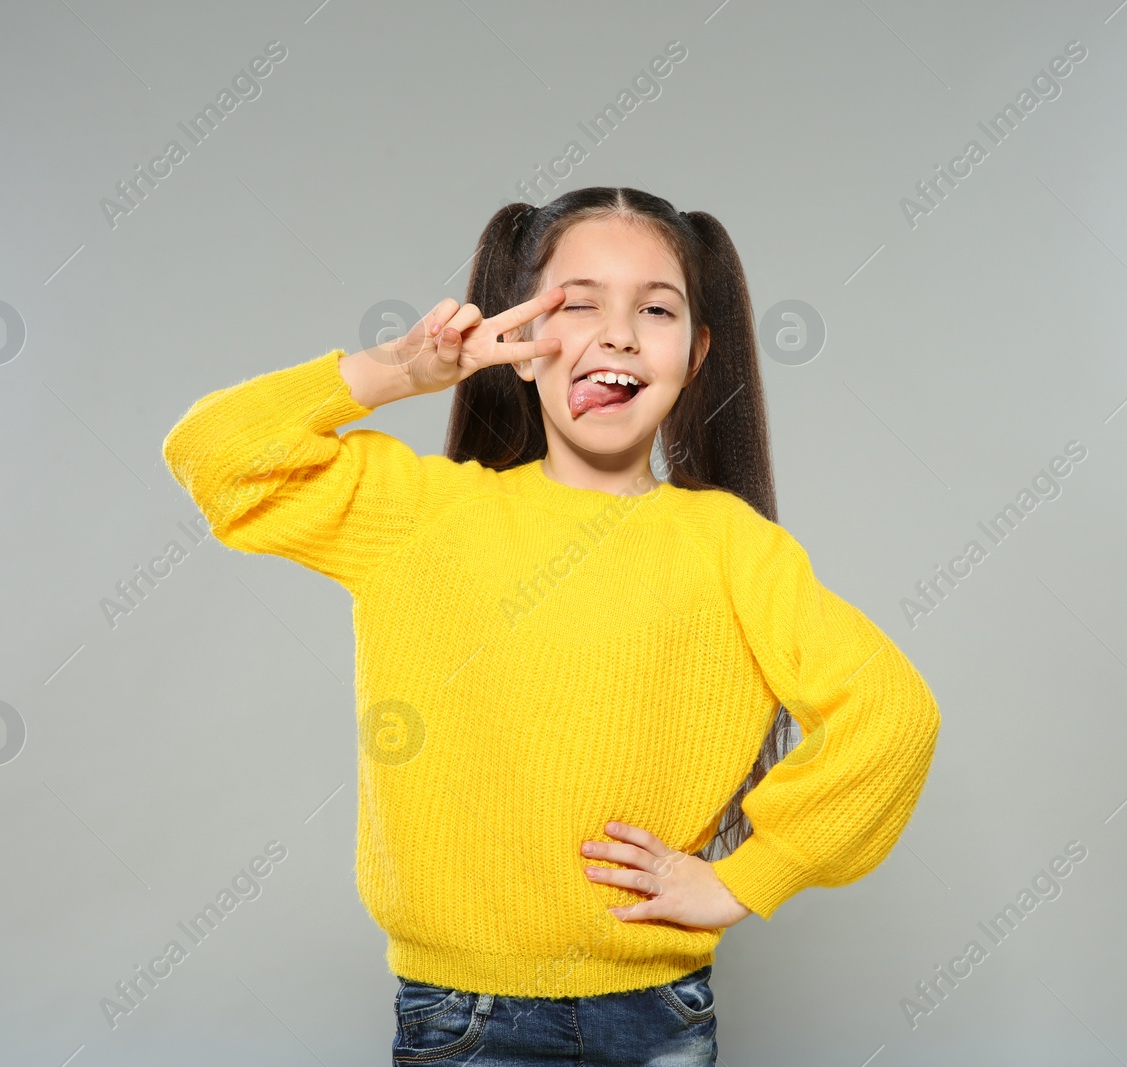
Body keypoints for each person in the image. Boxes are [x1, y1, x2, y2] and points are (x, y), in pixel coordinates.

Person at [161, 186, 941, 1065]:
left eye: (655, 308)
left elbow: (894, 713)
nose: (618, 333)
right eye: (577, 305)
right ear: (523, 347)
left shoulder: (731, 546)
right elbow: (213, 451)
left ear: (697, 354)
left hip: (655, 1014)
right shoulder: (420, 513)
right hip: (459, 1016)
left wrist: (743, 880)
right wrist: (399, 370)